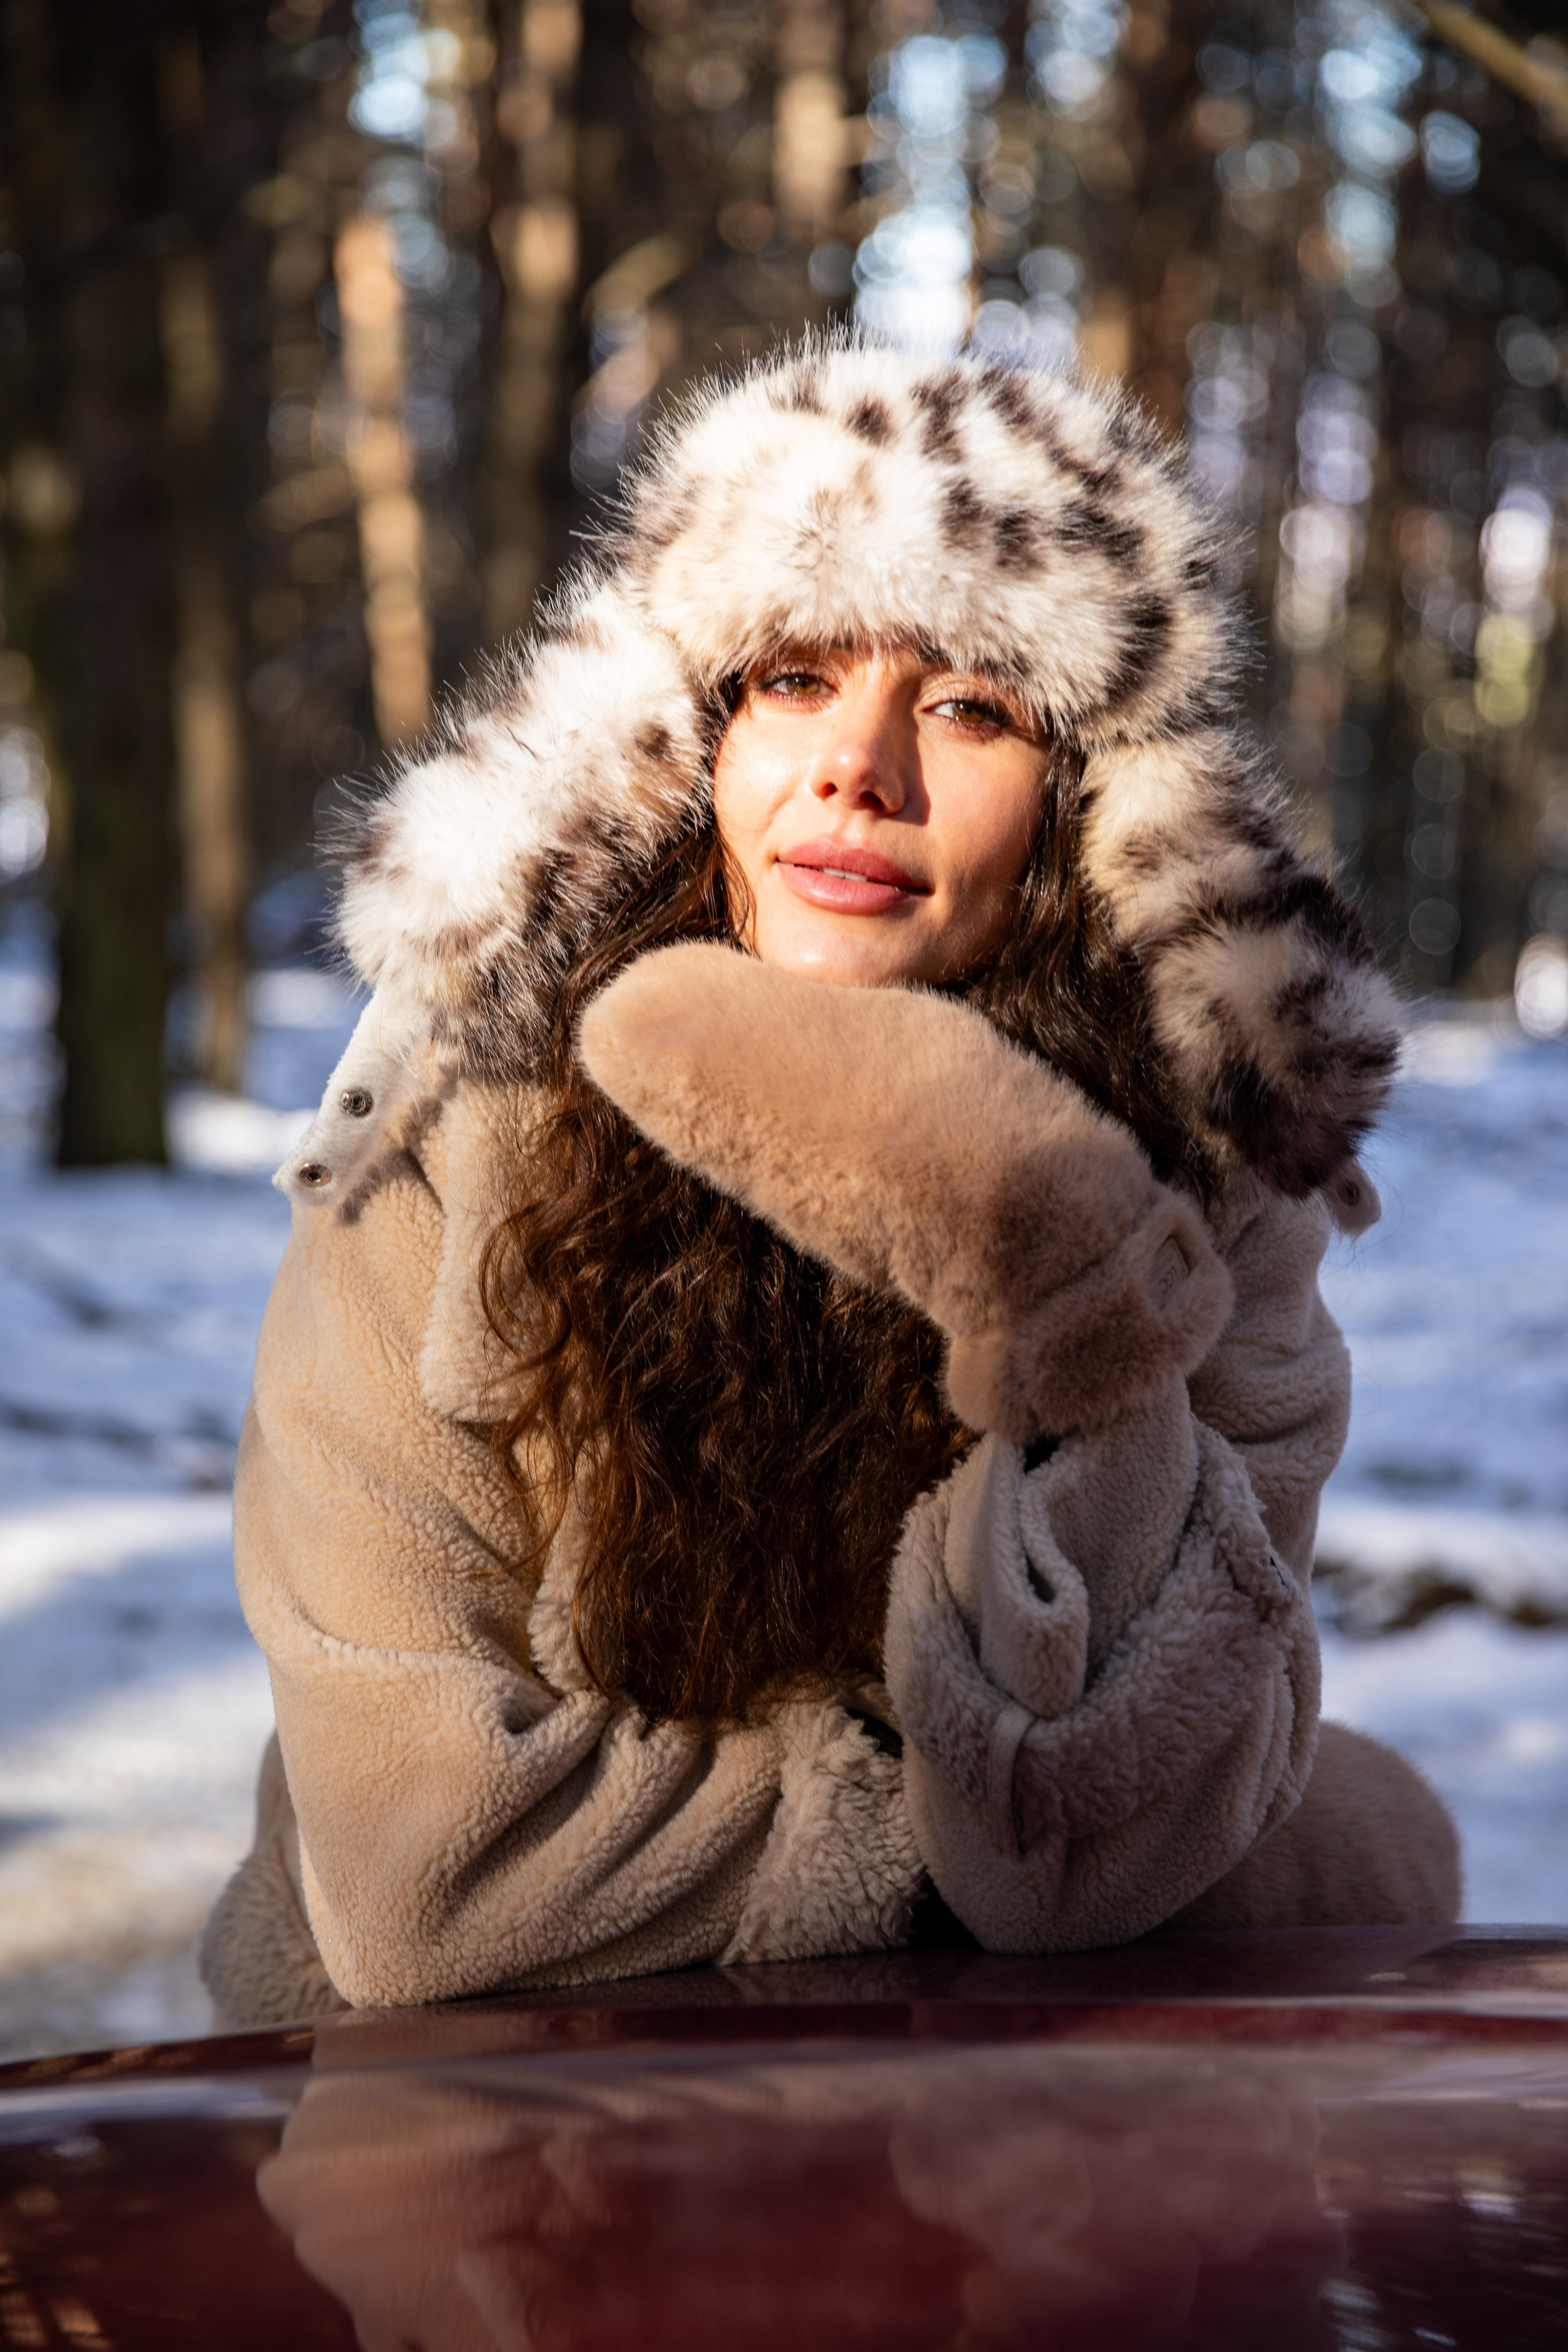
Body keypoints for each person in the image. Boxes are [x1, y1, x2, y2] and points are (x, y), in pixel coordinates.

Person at [202, 339, 1459, 2027]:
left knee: (1383, 1849)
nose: (859, 768)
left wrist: (1060, 1268)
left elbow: (1115, 1836)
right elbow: (429, 1882)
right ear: (687, 738)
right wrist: (933, 1812)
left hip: (1015, 2161)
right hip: (464, 2125)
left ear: (1090, 801)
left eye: (969, 705)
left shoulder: (1212, 1196)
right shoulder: (456, 1127)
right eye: (792, 677)